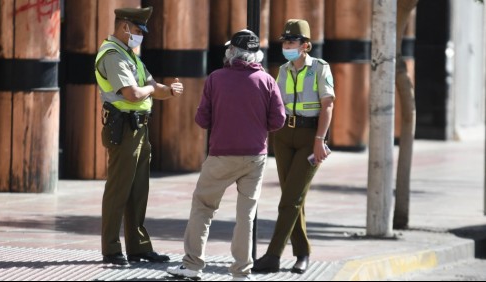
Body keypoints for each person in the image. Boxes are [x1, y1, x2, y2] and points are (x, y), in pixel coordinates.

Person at [166, 29, 286, 281]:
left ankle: (192, 265)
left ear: (232, 52)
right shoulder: (267, 81)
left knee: (203, 207)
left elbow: (202, 119)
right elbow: (278, 120)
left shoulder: (215, 78)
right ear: (255, 54)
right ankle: (241, 273)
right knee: (247, 215)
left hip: (221, 155)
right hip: (255, 157)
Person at [94, 6, 184, 266]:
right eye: (137, 30)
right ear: (124, 27)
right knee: (118, 191)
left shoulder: (129, 56)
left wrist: (171, 90)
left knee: (138, 191)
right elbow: (132, 94)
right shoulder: (113, 56)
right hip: (124, 129)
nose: (140, 36)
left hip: (139, 129)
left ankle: (139, 247)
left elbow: (154, 87)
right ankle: (111, 249)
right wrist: (150, 89)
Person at [252, 19, 335, 274]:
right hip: (284, 137)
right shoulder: (284, 70)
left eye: (291, 42)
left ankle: (273, 255)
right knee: (292, 198)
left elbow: (328, 105)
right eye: (285, 41)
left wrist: (320, 140)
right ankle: (302, 254)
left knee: (289, 200)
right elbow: (276, 105)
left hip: (310, 139)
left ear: (306, 45)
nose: (286, 46)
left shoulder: (320, 68)